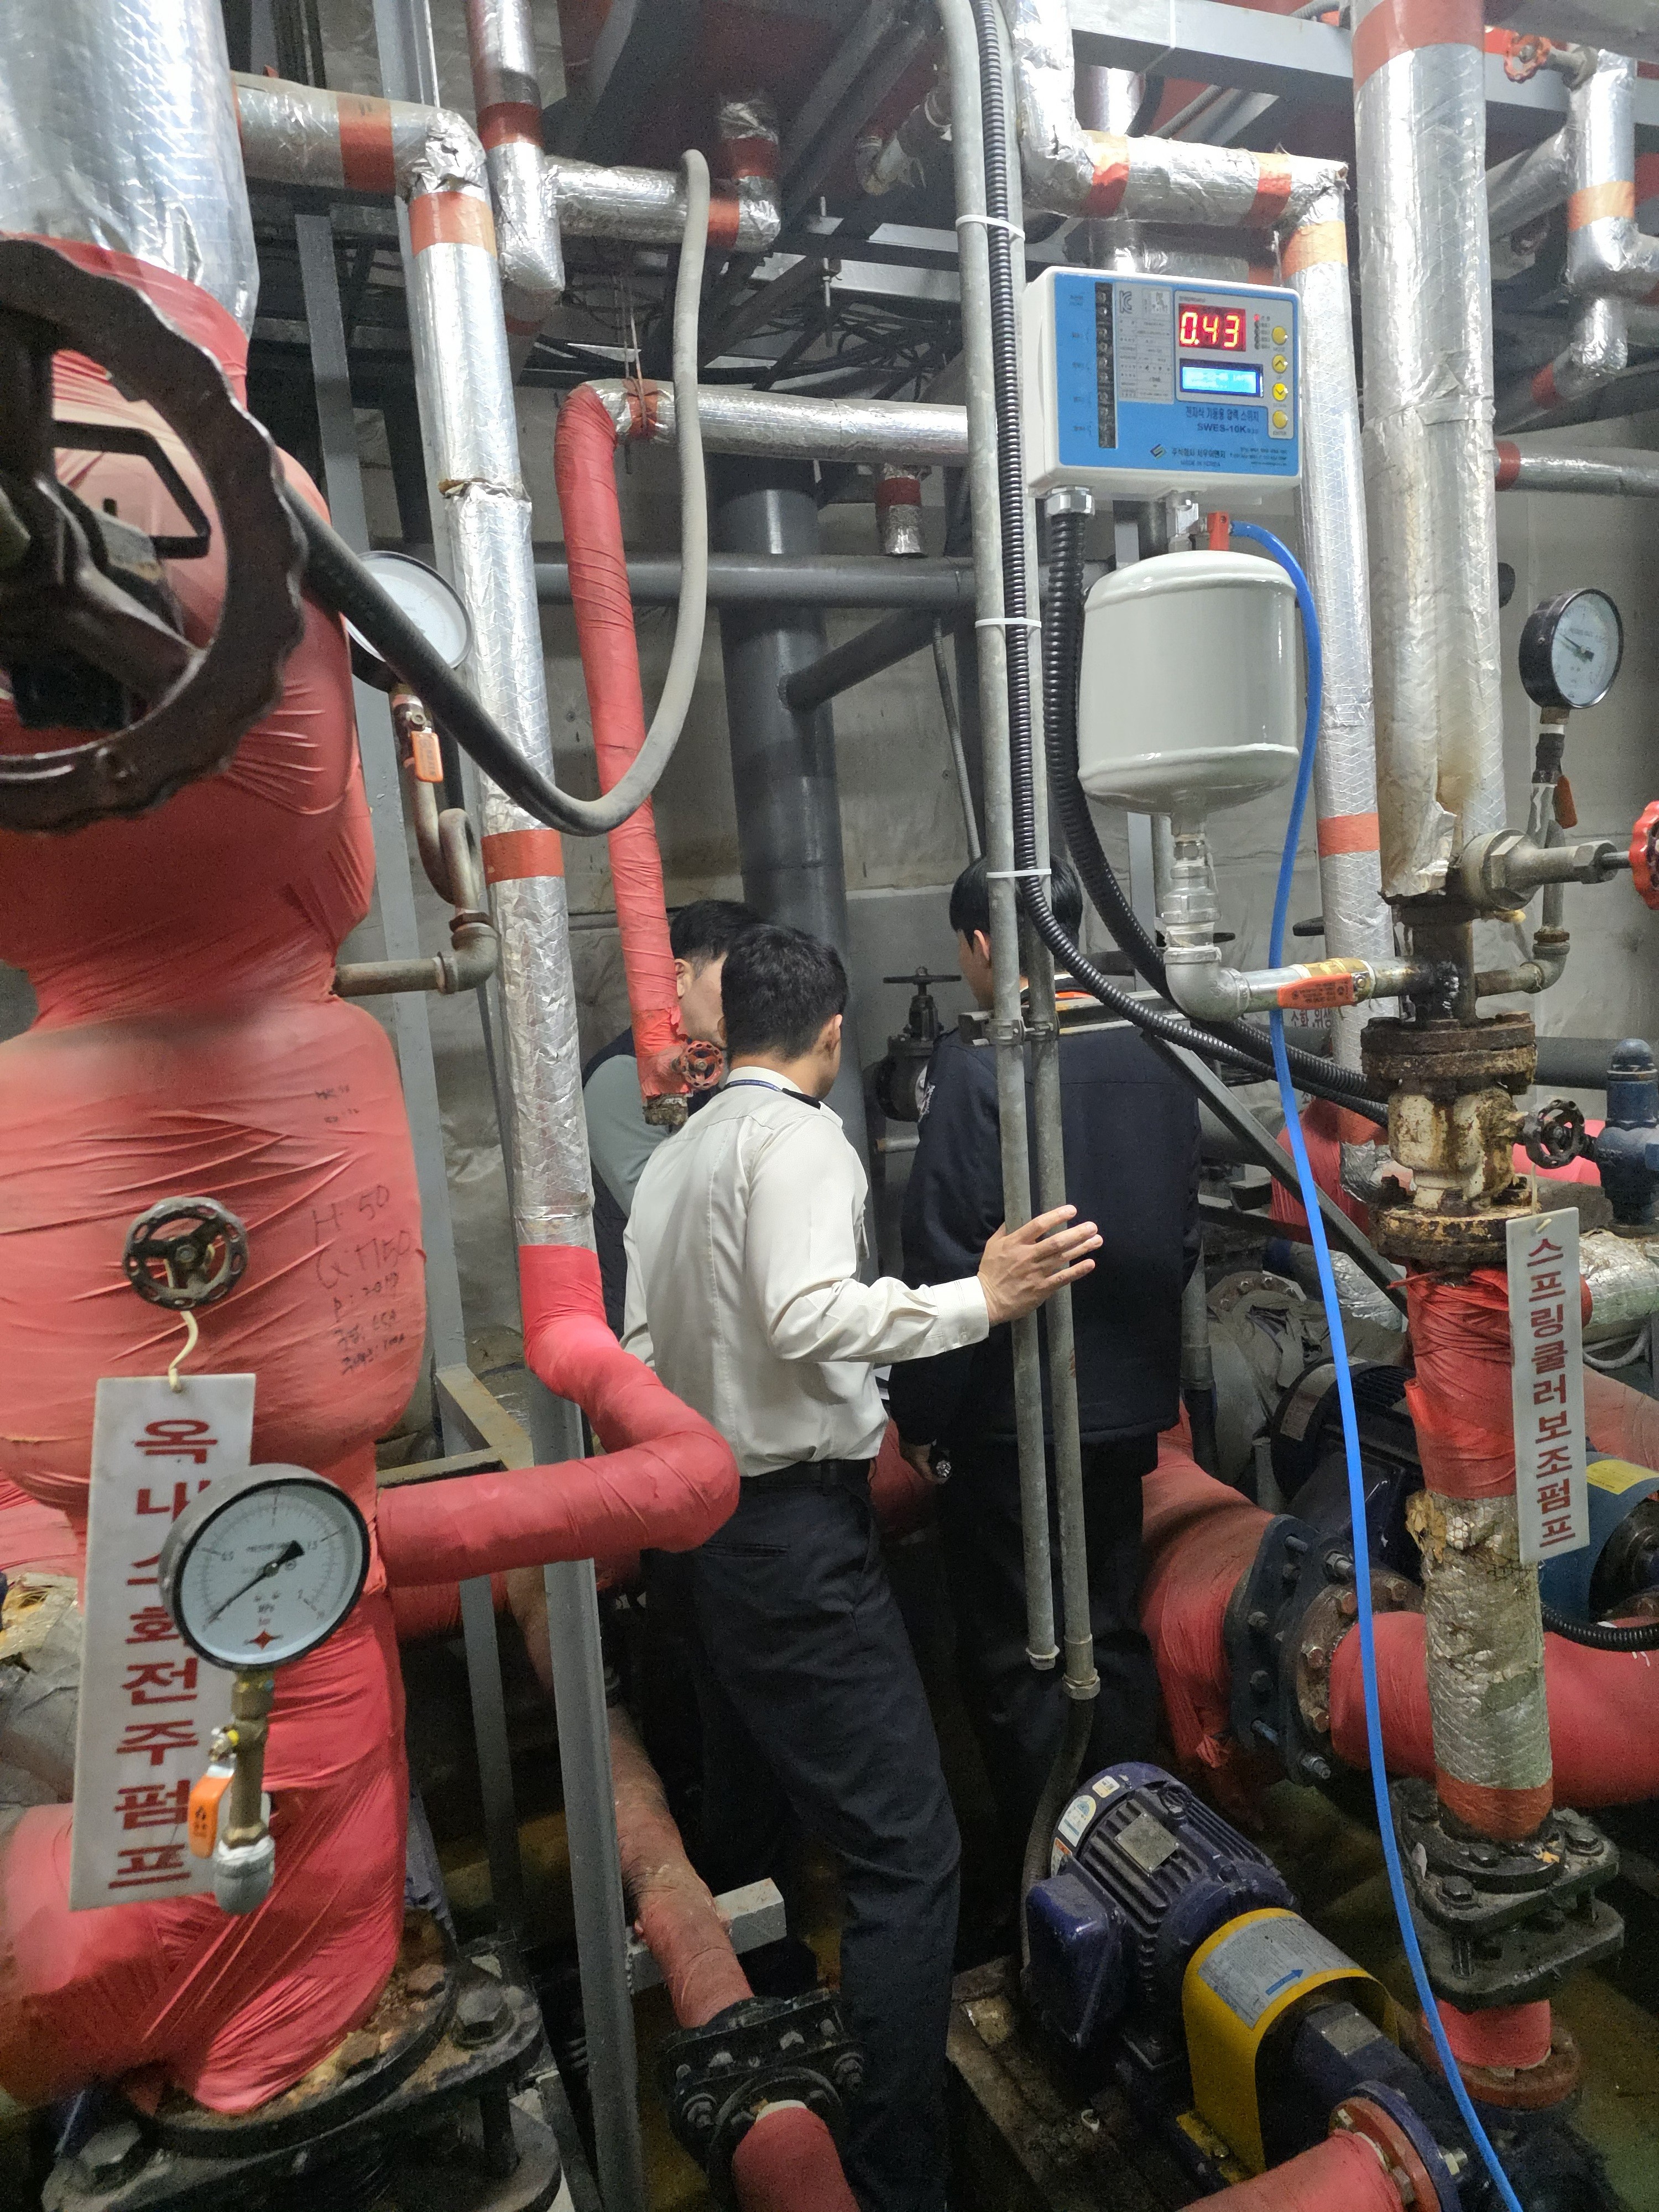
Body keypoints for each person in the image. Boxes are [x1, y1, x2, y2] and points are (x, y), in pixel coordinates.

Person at [623, 922, 1099, 2212]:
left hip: (699, 1533)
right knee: (908, 1854)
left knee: (748, 1813)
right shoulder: (800, 1140)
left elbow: (638, 1345)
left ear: (729, 1027)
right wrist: (977, 1298)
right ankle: (896, 2175)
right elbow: (803, 1312)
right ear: (833, 1034)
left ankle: (771, 2048)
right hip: (793, 1541)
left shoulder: (674, 1161)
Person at [888, 854, 1201, 1916]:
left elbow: (948, 1261)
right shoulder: (1154, 1047)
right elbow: (1180, 1234)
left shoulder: (978, 1071)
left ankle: (1058, 1892)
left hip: (1008, 1417)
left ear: (980, 945)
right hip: (1124, 1405)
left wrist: (921, 1418)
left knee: (1023, 1653)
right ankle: (1146, 1860)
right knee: (1112, 1627)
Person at [581, 896, 759, 1332]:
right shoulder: (620, 1077)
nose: (749, 997)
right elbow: (668, 1220)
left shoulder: (730, 1064)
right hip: (652, 1335)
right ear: (680, 977)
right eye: (733, 979)